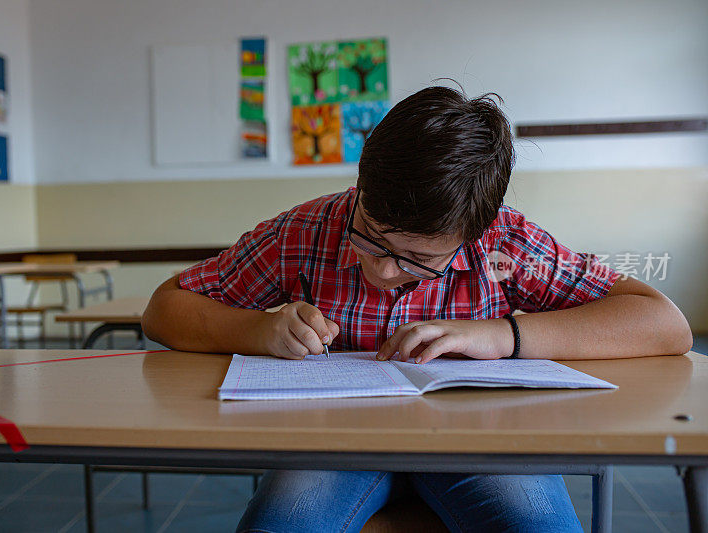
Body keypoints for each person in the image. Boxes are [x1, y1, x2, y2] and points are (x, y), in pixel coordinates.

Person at [142, 85, 692, 532]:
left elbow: (664, 322)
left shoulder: (506, 247)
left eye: (418, 259)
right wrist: (258, 330)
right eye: (371, 238)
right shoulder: (306, 231)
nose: (382, 272)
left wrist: (503, 336)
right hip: (334, 443)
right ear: (360, 187)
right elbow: (163, 309)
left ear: (473, 232)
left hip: (478, 439)